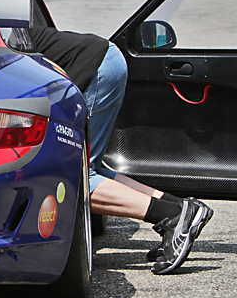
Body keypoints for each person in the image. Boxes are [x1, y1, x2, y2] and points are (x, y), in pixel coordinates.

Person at [27, 27, 214, 274]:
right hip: (105, 60)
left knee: (77, 178)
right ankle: (180, 207)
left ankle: (170, 217)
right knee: (93, 169)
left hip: (97, 70)